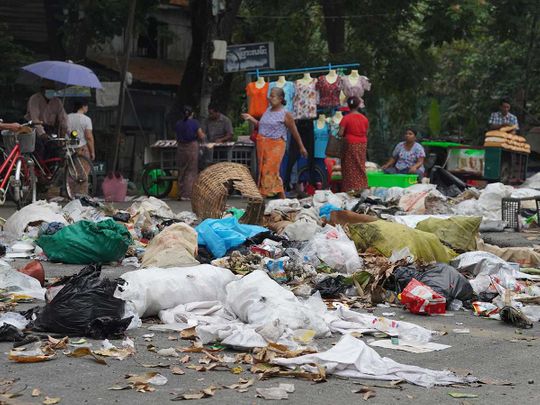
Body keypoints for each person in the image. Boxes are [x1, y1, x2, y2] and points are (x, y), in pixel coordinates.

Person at [242, 87, 308, 198]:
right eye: (269, 96)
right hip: (263, 145)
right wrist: (250, 118)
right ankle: (283, 198)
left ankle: (262, 196)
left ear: (280, 98)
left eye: (272, 96)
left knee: (268, 170)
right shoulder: (268, 110)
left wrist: (301, 147)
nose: (269, 98)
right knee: (268, 172)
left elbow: (294, 131)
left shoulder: (285, 114)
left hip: (276, 145)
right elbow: (261, 126)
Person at [25, 80, 68, 159]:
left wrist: (65, 131)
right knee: (39, 148)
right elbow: (35, 119)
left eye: (53, 89)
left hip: (49, 128)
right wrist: (42, 133)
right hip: (34, 128)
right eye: (48, 89)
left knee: (57, 149)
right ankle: (37, 168)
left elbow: (63, 118)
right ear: (42, 89)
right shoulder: (35, 99)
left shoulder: (57, 101)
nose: (51, 91)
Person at [338, 96, 369, 192]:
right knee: (360, 164)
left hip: (350, 144)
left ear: (348, 105)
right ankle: (362, 185)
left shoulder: (346, 118)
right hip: (362, 144)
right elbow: (367, 132)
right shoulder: (364, 118)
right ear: (358, 105)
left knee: (349, 166)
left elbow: (340, 133)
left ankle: (350, 187)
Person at [175, 105, 205, 201]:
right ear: (192, 113)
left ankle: (180, 193)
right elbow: (201, 135)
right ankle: (187, 194)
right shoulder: (195, 123)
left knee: (182, 170)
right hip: (191, 147)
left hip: (180, 147)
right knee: (191, 171)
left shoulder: (178, 123)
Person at [67, 99, 95, 195]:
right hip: (81, 148)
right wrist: (92, 152)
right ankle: (82, 195)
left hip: (69, 148)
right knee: (83, 174)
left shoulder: (67, 117)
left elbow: (62, 131)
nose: (87, 108)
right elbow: (89, 137)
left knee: (70, 173)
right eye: (86, 106)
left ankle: (71, 194)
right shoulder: (86, 119)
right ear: (83, 106)